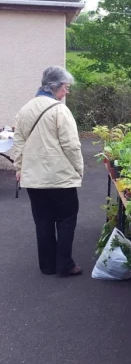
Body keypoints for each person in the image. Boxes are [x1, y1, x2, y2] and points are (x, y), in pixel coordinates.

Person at [13, 66, 84, 277]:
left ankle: (47, 266)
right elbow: (71, 145)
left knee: (43, 221)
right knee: (66, 220)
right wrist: (79, 169)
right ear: (54, 87)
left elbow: (19, 144)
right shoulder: (60, 110)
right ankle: (65, 265)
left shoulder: (24, 109)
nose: (67, 92)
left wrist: (19, 168)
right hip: (60, 178)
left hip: (33, 179)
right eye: (65, 87)